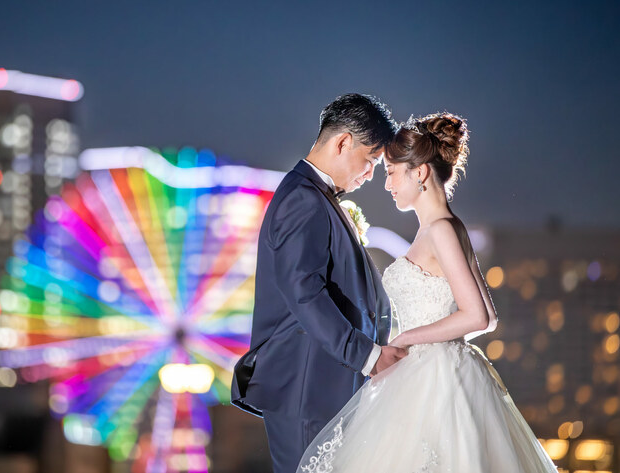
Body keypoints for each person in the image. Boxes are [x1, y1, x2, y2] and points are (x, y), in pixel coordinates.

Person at [297, 113, 558, 472]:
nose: (386, 184)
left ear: (419, 173)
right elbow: (488, 318)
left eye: (391, 172)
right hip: (428, 371)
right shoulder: (446, 227)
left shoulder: (441, 230)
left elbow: (477, 317)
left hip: (433, 379)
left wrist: (408, 338)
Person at [230, 93, 407, 473]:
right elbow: (305, 293)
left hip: (323, 384)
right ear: (343, 142)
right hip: (307, 389)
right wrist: (369, 357)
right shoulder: (303, 199)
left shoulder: (315, 197)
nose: (370, 175)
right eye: (371, 160)